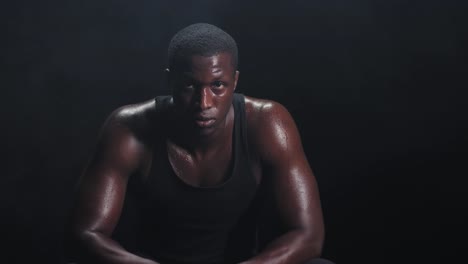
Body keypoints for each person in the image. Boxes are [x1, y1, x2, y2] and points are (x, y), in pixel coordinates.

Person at [69, 23, 333, 264]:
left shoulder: (268, 124)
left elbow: (308, 235)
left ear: (235, 81)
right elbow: (86, 234)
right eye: (189, 86)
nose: (204, 103)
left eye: (218, 85)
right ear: (170, 80)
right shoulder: (128, 129)